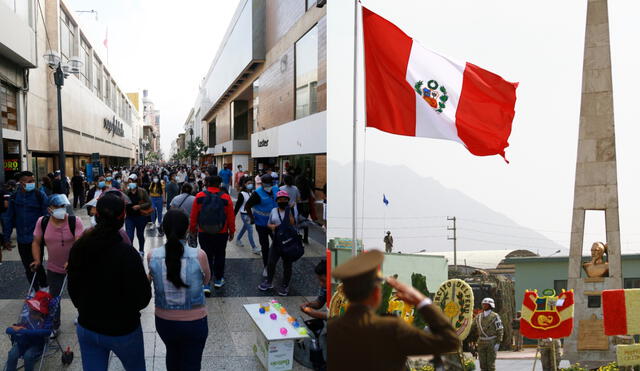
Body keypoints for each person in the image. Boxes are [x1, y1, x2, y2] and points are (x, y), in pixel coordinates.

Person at [328, 250, 459, 371]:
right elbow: (450, 341)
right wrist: (422, 301)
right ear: (376, 293)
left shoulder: (331, 329)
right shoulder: (391, 329)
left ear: (344, 292)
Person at [67, 193, 152, 371]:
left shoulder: (79, 247)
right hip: (123, 329)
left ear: (96, 215)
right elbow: (142, 298)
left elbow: (73, 288)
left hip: (88, 326)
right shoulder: (128, 253)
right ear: (123, 217)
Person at [148, 210, 210, 371]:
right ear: (187, 228)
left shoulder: (152, 255)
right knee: (193, 362)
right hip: (195, 322)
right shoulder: (199, 255)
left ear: (164, 229)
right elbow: (206, 280)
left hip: (164, 321)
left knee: (172, 355)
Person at [30, 194, 84, 336]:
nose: (62, 209)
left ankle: (83, 315)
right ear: (49, 209)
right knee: (54, 297)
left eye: (63, 206)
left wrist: (72, 260)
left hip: (74, 267)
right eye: (58, 207)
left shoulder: (74, 221)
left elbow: (79, 244)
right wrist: (37, 260)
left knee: (78, 293)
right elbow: (36, 242)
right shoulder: (42, 222)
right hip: (54, 267)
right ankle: (54, 325)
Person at [189, 175, 235, 295]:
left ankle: (206, 283)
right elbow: (231, 216)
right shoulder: (226, 197)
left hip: (204, 232)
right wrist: (232, 231)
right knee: (220, 255)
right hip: (222, 232)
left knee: (206, 256)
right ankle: (218, 280)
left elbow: (194, 216)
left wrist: (192, 229)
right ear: (220, 184)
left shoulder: (199, 196)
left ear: (207, 184)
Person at [4, 171, 49, 291]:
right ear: (21, 183)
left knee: (37, 264)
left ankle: (44, 287)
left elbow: (46, 217)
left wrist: (47, 236)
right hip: (22, 238)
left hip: (37, 238)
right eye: (30, 181)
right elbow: (8, 218)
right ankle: (34, 290)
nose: (32, 183)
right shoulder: (14, 197)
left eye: (33, 181)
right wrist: (6, 238)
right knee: (27, 266)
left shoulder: (40, 195)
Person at [258, 190, 300, 296]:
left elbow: (293, 223)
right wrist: (272, 227)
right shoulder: (273, 211)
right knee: (271, 262)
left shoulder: (291, 210)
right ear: (277, 201)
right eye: (280, 200)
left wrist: (288, 210)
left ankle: (285, 285)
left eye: (285, 200)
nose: (282, 201)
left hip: (288, 242)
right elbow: (269, 224)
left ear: (288, 201)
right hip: (277, 241)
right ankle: (269, 282)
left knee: (287, 265)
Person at [4, 291, 52, 371]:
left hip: (36, 345)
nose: (31, 314)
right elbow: (12, 328)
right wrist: (16, 329)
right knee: (12, 354)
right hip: (22, 343)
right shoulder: (26, 319)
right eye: (30, 311)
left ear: (41, 313)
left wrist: (26, 331)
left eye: (34, 313)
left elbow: (47, 332)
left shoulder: (44, 322)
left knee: (28, 356)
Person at [244, 174, 279, 277]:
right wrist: (252, 218)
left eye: (270, 184)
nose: (268, 186)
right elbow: (247, 206)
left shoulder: (276, 189)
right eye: (266, 184)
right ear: (262, 183)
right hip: (261, 224)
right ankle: (266, 266)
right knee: (265, 245)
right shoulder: (257, 193)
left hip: (275, 224)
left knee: (278, 243)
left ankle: (273, 261)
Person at [469, 297, 504, 371]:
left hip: (491, 342)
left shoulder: (495, 316)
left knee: (490, 365)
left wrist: (498, 342)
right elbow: (472, 327)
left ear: (490, 305)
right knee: (482, 365)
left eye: (486, 304)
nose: (484, 305)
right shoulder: (478, 316)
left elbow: (500, 329)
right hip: (481, 342)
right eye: (483, 304)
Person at [125, 175, 152, 256]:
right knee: (129, 236)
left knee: (140, 235)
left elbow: (149, 203)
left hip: (140, 217)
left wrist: (139, 206)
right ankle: (130, 252)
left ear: (136, 182)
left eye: (132, 182)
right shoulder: (126, 192)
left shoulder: (142, 191)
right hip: (129, 217)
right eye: (129, 182)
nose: (130, 184)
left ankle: (141, 250)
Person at [234, 178, 259, 254]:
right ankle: (254, 248)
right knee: (250, 230)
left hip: (251, 214)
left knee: (245, 228)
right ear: (245, 184)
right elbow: (238, 206)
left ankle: (238, 239)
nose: (250, 185)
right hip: (244, 214)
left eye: (251, 183)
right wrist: (233, 215)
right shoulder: (242, 194)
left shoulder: (252, 193)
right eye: (248, 183)